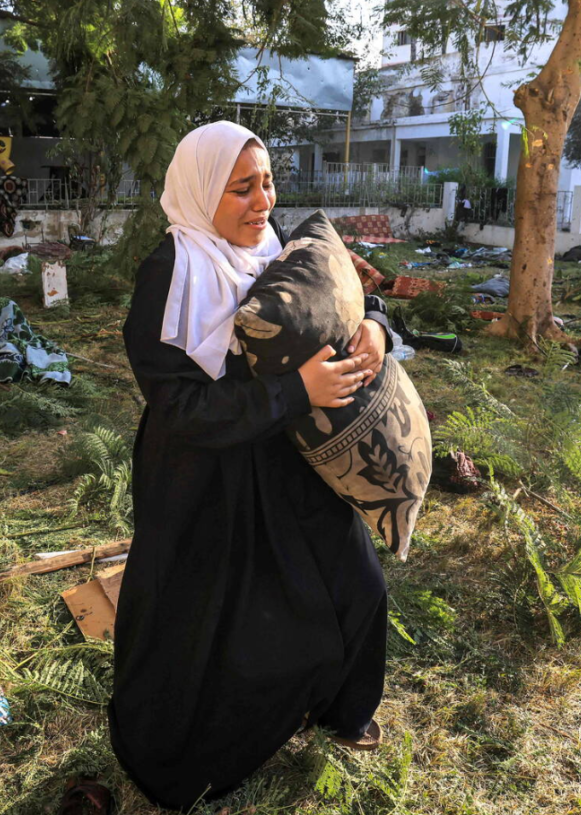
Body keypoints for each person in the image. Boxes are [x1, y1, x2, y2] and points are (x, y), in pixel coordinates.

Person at [109, 121, 395, 811]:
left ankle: (341, 709)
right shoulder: (170, 272)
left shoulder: (279, 247)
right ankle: (189, 758)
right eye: (241, 188)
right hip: (203, 480)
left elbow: (353, 293)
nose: (262, 200)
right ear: (202, 190)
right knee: (210, 628)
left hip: (288, 463)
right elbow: (180, 408)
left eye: (267, 181)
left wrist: (379, 330)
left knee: (355, 584)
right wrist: (297, 390)